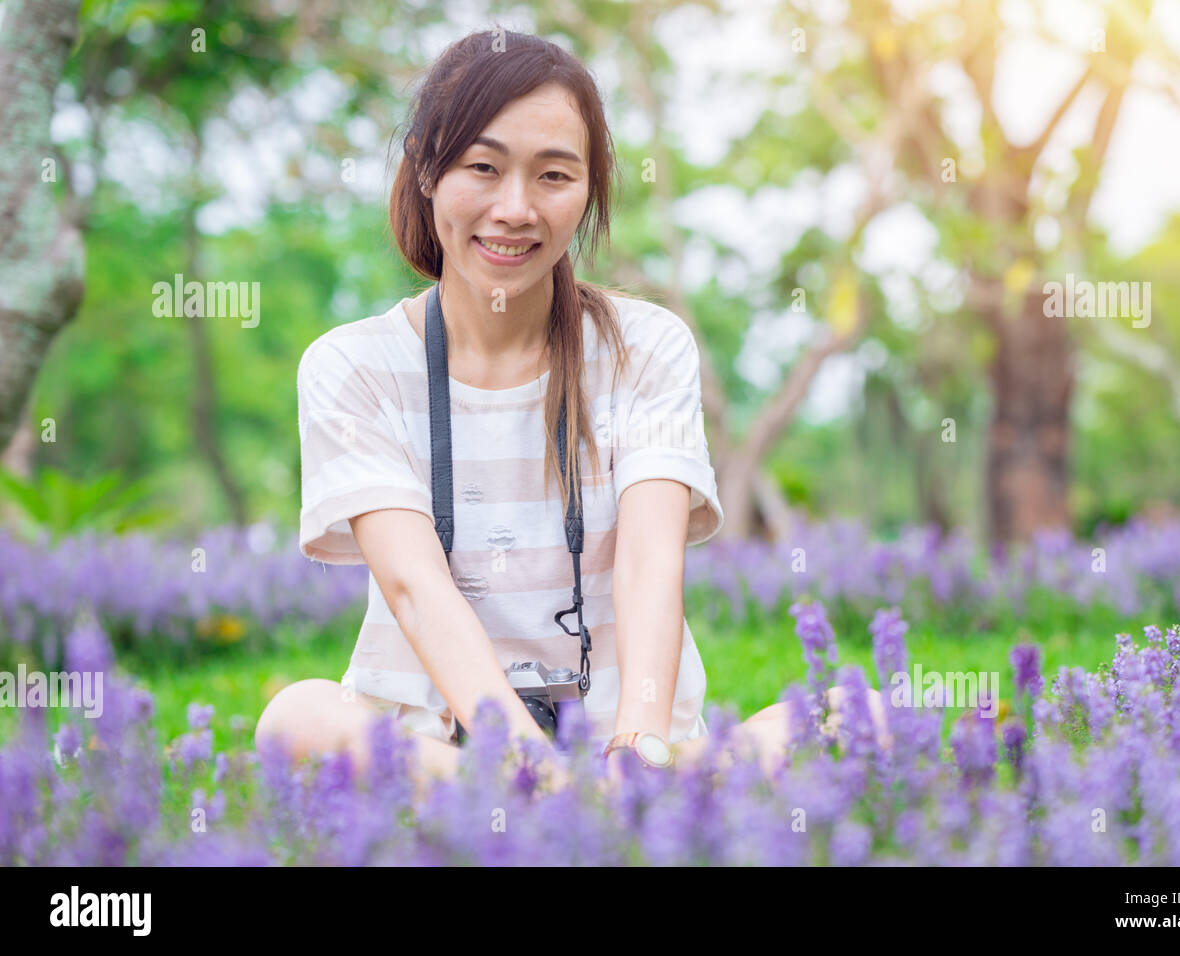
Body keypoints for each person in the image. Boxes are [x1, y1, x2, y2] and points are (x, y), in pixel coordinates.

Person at [254, 28, 885, 800]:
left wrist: (640, 742)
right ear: (425, 168)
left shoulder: (647, 346)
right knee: (295, 718)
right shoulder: (352, 365)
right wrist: (530, 761)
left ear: (589, 190)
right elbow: (415, 587)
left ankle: (607, 797)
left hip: (626, 741)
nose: (514, 209)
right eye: (483, 168)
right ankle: (576, 805)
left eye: (554, 175)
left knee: (867, 715)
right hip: (435, 740)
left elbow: (652, 562)